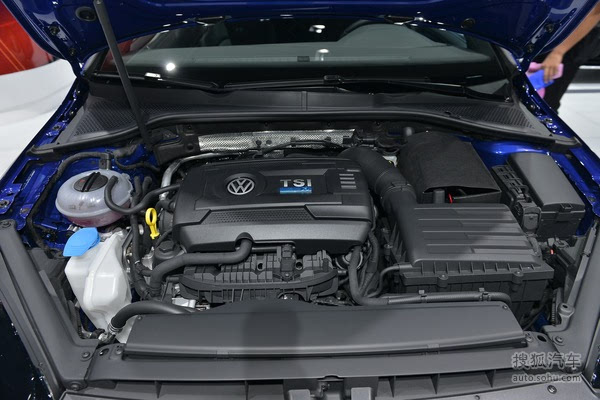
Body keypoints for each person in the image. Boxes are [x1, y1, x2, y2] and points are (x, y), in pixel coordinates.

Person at [541, 3, 600, 110]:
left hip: (571, 41)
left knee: (545, 101)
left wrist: (558, 52)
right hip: (551, 30)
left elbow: (596, 11)